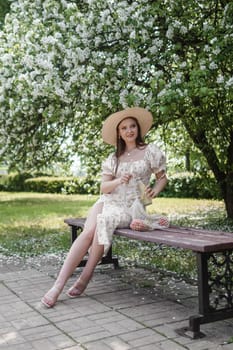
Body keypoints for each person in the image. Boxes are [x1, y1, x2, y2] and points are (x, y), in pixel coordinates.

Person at [41, 107, 169, 308]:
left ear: (138, 129)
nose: (129, 131)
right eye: (124, 128)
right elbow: (103, 188)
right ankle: (58, 285)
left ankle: (86, 274)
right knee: (88, 231)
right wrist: (118, 180)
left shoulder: (149, 151)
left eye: (132, 126)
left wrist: (155, 190)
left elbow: (162, 178)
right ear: (119, 133)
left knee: (104, 222)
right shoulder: (113, 158)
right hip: (107, 201)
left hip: (130, 207)